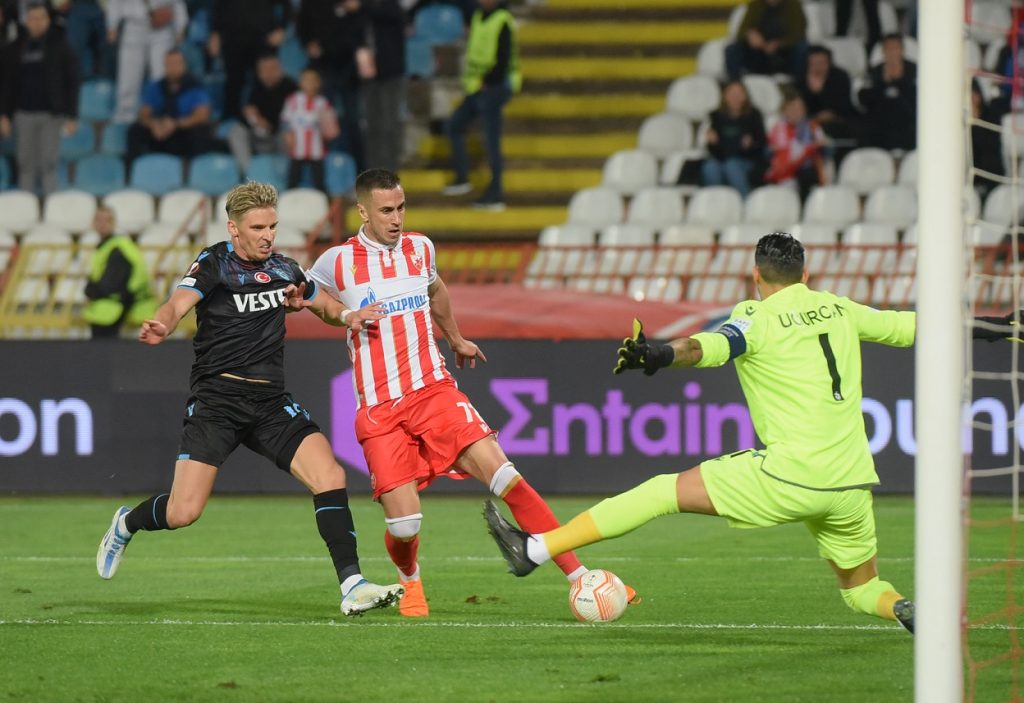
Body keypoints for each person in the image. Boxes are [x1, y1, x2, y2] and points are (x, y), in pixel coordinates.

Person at [485, 231, 918, 633]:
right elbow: (911, 327)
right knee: (862, 588)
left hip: (791, 474)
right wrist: (982, 330)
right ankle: (900, 607)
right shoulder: (842, 309)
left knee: (660, 492)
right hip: (853, 484)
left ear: (755, 275)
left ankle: (536, 550)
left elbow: (705, 347)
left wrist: (655, 355)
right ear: (806, 275)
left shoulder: (756, 316)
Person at [305, 169, 631, 617]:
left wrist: (455, 338)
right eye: (386, 210)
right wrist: (346, 315)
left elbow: (436, 290)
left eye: (401, 207)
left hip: (434, 391)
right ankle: (410, 579)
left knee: (506, 476)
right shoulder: (337, 261)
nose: (396, 218)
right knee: (404, 525)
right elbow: (312, 297)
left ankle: (580, 576)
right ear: (362, 211)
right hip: (380, 409)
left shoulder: (421, 248)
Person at [95, 181, 404, 616]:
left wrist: (350, 315)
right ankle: (127, 523)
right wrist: (163, 324)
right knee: (184, 512)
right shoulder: (214, 263)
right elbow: (176, 303)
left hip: (270, 404)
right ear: (233, 228)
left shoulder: (284, 270)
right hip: (217, 401)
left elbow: (324, 305)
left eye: (273, 226)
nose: (267, 235)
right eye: (258, 227)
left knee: (330, 475)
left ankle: (352, 585)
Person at [441, 0, 520, 210]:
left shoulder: (503, 20)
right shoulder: (477, 16)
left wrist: (488, 81)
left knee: (491, 141)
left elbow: (503, 60)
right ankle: (463, 177)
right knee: (454, 126)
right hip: (477, 86)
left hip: (494, 87)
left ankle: (496, 193)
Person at [0, 1, 78, 197]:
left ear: (48, 20)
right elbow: (6, 85)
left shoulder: (61, 46)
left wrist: (71, 115)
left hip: (51, 115)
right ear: (26, 21)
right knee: (25, 164)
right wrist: (4, 115)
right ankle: (27, 207)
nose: (36, 23)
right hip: (23, 114)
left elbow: (72, 81)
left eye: (41, 18)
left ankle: (51, 208)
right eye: (32, 18)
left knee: (48, 163)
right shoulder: (14, 49)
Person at [298, 0, 367, 172]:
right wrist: (308, 43)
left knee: (353, 123)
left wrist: (357, 9)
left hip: (349, 69)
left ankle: (361, 172)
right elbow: (302, 26)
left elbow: (364, 28)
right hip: (323, 68)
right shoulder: (312, 4)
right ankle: (321, 174)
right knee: (319, 123)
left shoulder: (355, 5)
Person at [105, 0, 188, 124]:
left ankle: (161, 114)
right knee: (128, 76)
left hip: (162, 28)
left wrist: (181, 25)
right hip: (134, 26)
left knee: (161, 75)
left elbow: (178, 3)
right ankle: (124, 116)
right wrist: (112, 25)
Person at [125, 47, 212, 164]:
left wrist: (175, 124)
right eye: (169, 64)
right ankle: (132, 169)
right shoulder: (156, 87)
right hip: (160, 131)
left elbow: (201, 116)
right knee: (135, 130)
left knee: (200, 132)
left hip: (182, 131)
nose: (173, 67)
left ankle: (195, 171)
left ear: (184, 65)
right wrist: (154, 124)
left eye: (176, 63)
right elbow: (144, 113)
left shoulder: (195, 87)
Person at [208, 0, 291, 121]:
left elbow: (286, 5)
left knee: (264, 83)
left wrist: (282, 28)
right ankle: (230, 124)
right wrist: (214, 33)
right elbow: (219, 5)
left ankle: (266, 123)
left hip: (263, 38)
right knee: (233, 82)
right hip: (233, 37)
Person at [82, 205, 157, 339]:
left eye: (107, 220)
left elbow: (111, 284)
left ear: (113, 223)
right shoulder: (110, 245)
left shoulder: (118, 248)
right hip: (119, 304)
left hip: (117, 306)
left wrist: (90, 290)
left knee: (103, 349)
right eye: (98, 219)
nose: (102, 224)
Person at [355, 0, 406, 173]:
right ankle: (374, 170)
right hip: (368, 76)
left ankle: (391, 170)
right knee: (372, 126)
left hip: (390, 74)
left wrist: (361, 8)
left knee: (389, 124)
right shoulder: (362, 11)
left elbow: (391, 15)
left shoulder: (391, 7)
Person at [226, 51, 296, 173]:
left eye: (273, 68)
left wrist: (268, 123)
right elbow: (244, 114)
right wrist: (254, 119)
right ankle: (248, 173)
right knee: (236, 131)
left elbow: (293, 117)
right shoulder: (252, 87)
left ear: (280, 69)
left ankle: (286, 173)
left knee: (288, 132)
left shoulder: (291, 87)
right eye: (265, 69)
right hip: (256, 135)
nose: (269, 73)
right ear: (259, 72)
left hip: (278, 135)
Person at [701, 80, 766, 197]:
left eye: (739, 93)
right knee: (710, 167)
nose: (735, 97)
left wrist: (750, 145)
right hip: (722, 158)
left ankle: (745, 201)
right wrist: (712, 143)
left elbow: (762, 145)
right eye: (731, 93)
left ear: (745, 96)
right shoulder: (715, 116)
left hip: (746, 159)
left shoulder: (754, 115)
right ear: (725, 96)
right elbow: (712, 150)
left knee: (732, 166)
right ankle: (716, 202)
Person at [795, 45, 858, 166]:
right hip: (810, 122)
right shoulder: (801, 78)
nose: (817, 66)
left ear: (829, 63)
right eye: (814, 63)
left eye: (821, 62)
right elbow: (798, 107)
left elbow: (843, 105)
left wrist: (821, 92)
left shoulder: (840, 76)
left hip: (839, 122)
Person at [281, 66, 339, 193]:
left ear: (318, 83)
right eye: (305, 80)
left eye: (312, 80)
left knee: (319, 182)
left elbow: (332, 130)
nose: (309, 83)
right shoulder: (292, 100)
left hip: (316, 149)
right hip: (297, 148)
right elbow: (285, 121)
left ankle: (324, 205)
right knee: (293, 181)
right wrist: (287, 134)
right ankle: (288, 205)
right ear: (300, 82)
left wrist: (327, 127)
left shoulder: (323, 103)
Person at [858, 33, 916, 153]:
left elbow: (917, 96)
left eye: (895, 48)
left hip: (907, 117)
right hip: (881, 119)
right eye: (888, 48)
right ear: (883, 51)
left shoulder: (915, 70)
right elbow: (863, 98)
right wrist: (883, 84)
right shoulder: (874, 72)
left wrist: (899, 84)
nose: (892, 52)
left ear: (902, 50)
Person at [764, 90, 825, 202]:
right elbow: (768, 150)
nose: (795, 112)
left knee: (807, 174)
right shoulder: (777, 128)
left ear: (804, 110)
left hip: (806, 168)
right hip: (783, 168)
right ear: (784, 110)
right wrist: (771, 149)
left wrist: (818, 146)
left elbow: (825, 145)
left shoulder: (813, 127)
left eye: (799, 108)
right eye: (792, 108)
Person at [725, 0, 807, 81]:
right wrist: (750, 35)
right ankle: (735, 85)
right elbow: (741, 32)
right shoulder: (755, 5)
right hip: (758, 53)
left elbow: (799, 34)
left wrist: (779, 44)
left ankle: (799, 85)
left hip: (785, 53)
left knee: (801, 48)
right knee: (732, 49)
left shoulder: (794, 5)